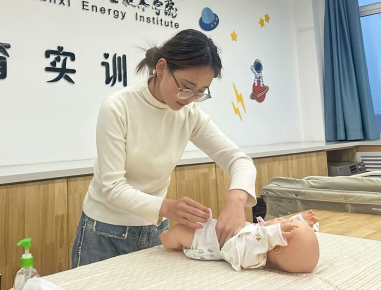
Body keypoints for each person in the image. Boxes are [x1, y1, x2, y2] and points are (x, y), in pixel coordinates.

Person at [71, 29, 258, 268]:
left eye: (200, 92)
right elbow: (112, 187)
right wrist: (169, 207)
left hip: (156, 228)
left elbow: (238, 160)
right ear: (161, 68)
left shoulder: (190, 114)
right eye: (186, 87)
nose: (189, 98)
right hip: (104, 232)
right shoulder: (118, 107)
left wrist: (236, 201)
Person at [159, 210, 320, 273]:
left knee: (178, 231)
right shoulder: (264, 241)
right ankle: (176, 244)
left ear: (275, 243)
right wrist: (300, 221)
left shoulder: (254, 257)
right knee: (184, 230)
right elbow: (270, 232)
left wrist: (272, 233)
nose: (281, 220)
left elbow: (258, 238)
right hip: (216, 229)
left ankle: (165, 239)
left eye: (283, 223)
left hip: (205, 240)